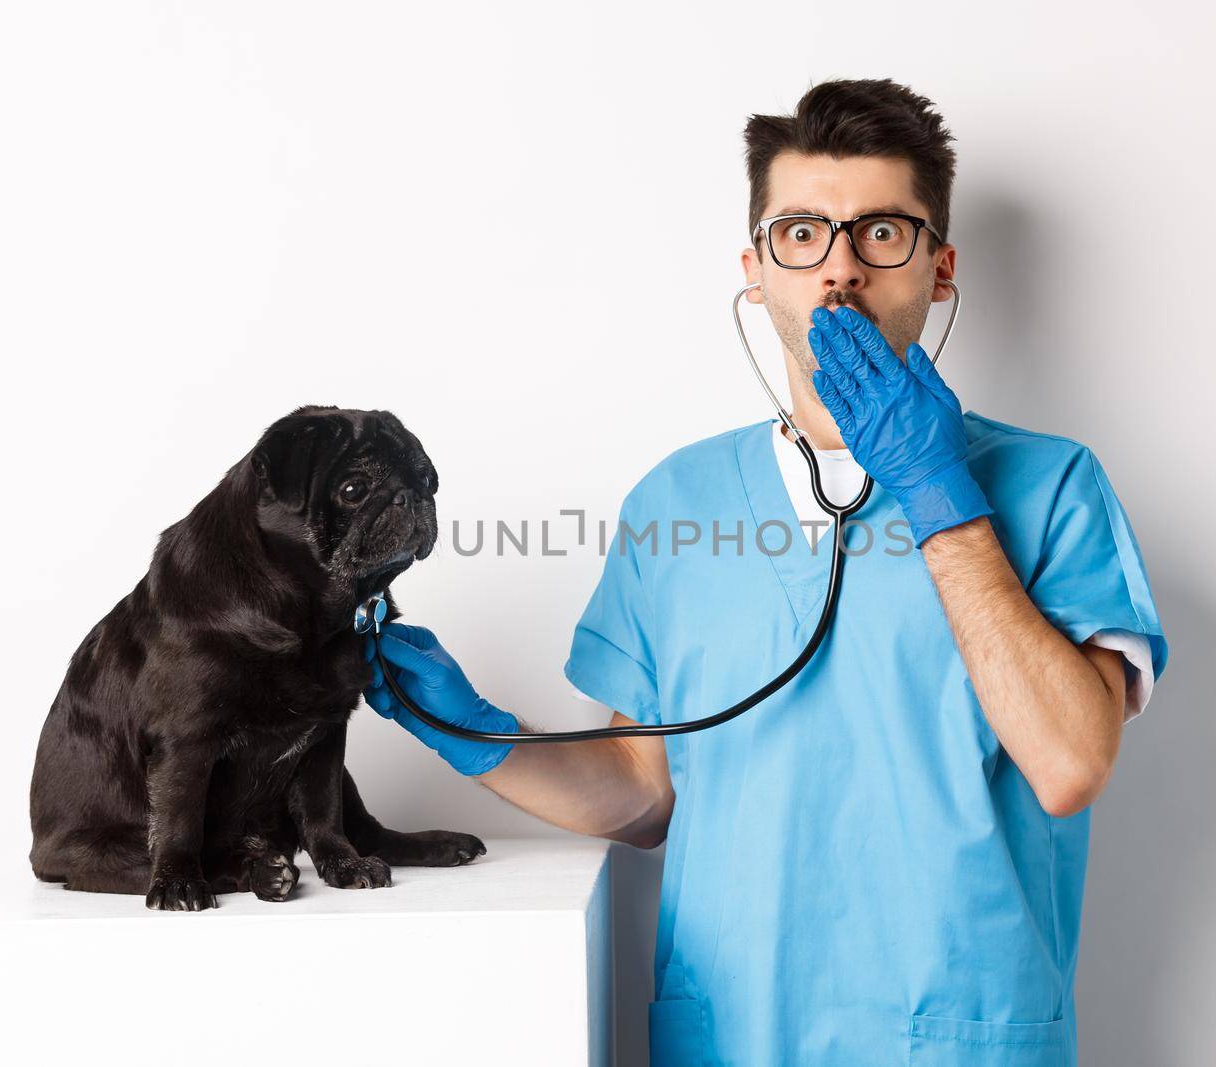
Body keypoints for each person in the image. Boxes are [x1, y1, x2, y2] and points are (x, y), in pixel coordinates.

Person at [364, 78, 1168, 1067]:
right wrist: (472, 732)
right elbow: (640, 794)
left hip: (960, 1037)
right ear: (756, 268)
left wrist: (936, 491)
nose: (839, 270)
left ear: (939, 265)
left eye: (881, 233)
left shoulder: (1051, 488)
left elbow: (1067, 762)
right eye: (801, 233)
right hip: (734, 1036)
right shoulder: (678, 500)